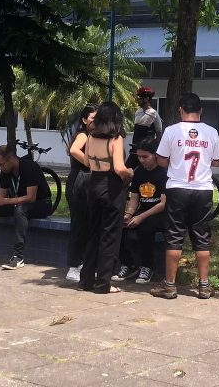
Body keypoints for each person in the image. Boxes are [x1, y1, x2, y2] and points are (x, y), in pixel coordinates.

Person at [150, 92, 219, 300]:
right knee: (201, 237)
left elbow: (161, 160)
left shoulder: (172, 131)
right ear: (200, 111)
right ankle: (204, 286)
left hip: (177, 188)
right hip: (202, 190)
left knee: (174, 235)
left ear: (180, 109)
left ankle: (170, 285)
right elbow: (217, 161)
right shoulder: (211, 132)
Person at [0, 144, 53, 269]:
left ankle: (18, 257)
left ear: (11, 158)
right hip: (19, 202)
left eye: (2, 164)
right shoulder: (6, 171)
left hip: (41, 203)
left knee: (20, 210)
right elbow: (3, 194)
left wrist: (6, 201)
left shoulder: (30, 167)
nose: (0, 167)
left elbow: (31, 197)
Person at [79, 102, 134, 294]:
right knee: (110, 236)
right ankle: (103, 283)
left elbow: (86, 162)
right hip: (111, 187)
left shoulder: (91, 137)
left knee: (93, 233)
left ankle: (85, 280)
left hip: (93, 184)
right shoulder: (116, 139)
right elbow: (119, 167)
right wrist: (130, 173)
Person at [112, 136, 167, 284]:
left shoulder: (164, 173)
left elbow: (163, 203)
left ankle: (147, 267)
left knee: (145, 227)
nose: (142, 160)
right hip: (143, 212)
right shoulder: (138, 173)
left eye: (145, 157)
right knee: (118, 226)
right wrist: (129, 214)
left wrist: (141, 217)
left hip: (161, 214)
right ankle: (128, 264)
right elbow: (134, 199)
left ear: (155, 155)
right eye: (139, 157)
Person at [65, 104, 98, 282]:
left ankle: (85, 264)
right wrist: (89, 162)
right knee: (79, 225)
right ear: (84, 120)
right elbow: (73, 150)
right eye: (92, 119)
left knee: (87, 225)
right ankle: (73, 265)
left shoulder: (93, 136)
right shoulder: (83, 135)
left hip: (87, 182)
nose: (95, 122)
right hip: (79, 182)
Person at [126, 86, 163, 168]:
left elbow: (159, 134)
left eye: (139, 98)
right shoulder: (138, 112)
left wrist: (154, 149)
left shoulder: (154, 114)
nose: (137, 100)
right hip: (135, 148)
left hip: (146, 152)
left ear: (146, 99)